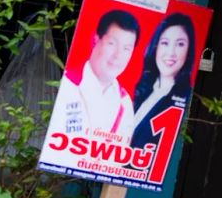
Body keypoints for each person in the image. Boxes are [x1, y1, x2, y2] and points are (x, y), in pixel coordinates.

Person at [42, 9, 141, 152]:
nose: (118, 55)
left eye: (126, 48)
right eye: (112, 43)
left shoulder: (125, 102)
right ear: (96, 39)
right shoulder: (67, 84)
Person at [130, 13, 196, 149]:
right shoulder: (145, 89)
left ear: (189, 50)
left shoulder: (187, 99)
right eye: (165, 43)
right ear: (156, 47)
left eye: (180, 44)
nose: (171, 52)